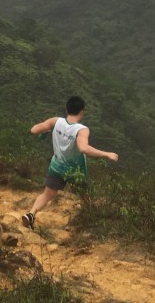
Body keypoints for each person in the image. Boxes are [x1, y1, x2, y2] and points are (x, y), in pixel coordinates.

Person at [22, 95, 118, 229]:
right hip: (76, 171)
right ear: (82, 112)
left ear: (67, 109)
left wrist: (48, 128)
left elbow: (33, 130)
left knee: (47, 194)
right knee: (85, 196)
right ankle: (91, 221)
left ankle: (31, 214)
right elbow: (83, 148)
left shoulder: (55, 121)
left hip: (57, 167)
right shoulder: (81, 129)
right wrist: (107, 154)